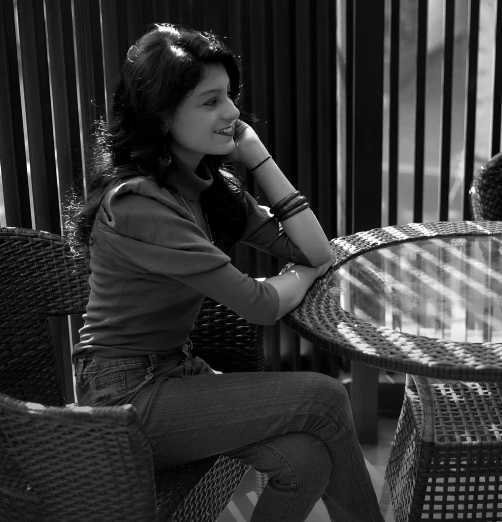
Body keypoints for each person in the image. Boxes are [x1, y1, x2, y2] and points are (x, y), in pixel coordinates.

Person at [65, 24, 384, 522]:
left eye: (229, 97)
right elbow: (259, 304)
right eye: (210, 102)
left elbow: (313, 247)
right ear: (162, 116)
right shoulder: (136, 204)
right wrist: (301, 277)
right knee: (324, 395)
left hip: (174, 371)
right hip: (124, 397)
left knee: (303, 461)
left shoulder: (206, 186)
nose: (233, 113)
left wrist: (258, 156)